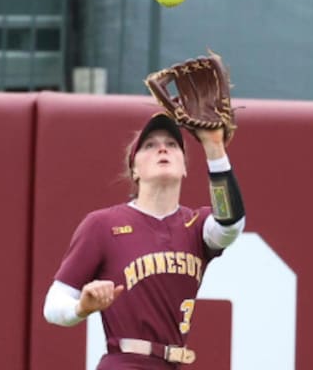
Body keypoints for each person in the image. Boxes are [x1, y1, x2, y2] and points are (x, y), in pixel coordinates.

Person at [43, 112, 246, 369]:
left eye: (172, 145)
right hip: (124, 362)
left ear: (184, 167)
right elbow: (53, 307)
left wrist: (214, 148)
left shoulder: (196, 225)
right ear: (134, 170)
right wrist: (81, 308)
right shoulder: (103, 225)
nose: (163, 148)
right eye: (149, 145)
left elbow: (231, 224)